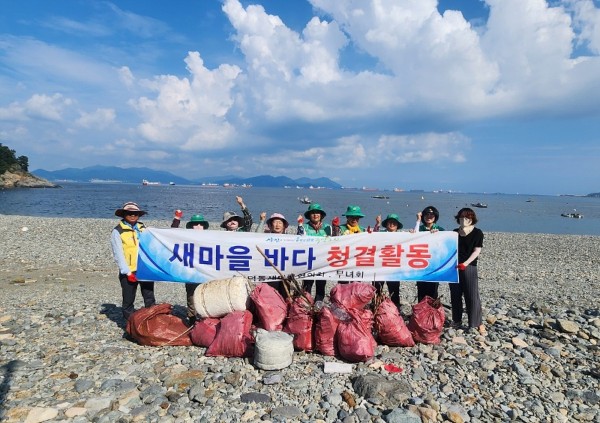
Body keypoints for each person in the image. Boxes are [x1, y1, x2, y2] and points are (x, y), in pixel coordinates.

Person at [110, 201, 156, 321]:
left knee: (149, 297)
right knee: (128, 300)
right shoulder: (117, 231)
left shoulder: (143, 228)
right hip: (129, 271)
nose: (132, 215)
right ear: (124, 214)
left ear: (139, 215)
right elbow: (118, 254)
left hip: (144, 269)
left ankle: (151, 324)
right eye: (129, 213)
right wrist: (127, 272)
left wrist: (176, 220)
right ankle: (130, 327)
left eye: (135, 213)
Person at [171, 210, 209, 325]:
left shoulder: (211, 237)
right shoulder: (186, 236)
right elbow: (172, 233)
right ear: (191, 226)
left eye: (200, 224)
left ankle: (205, 319)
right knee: (191, 296)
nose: (198, 226)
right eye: (195, 224)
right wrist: (177, 219)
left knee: (206, 295)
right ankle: (192, 320)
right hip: (191, 272)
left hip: (206, 272)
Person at [451, 207, 485, 335]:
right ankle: (456, 320)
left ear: (472, 219)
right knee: (455, 294)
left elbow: (477, 251)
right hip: (454, 267)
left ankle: (476, 323)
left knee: (472, 295)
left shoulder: (477, 233)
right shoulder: (454, 232)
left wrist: (465, 263)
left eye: (467, 218)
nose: (463, 220)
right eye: (461, 218)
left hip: (469, 266)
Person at [297, 203, 332, 302]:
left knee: (321, 285)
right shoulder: (304, 227)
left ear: (321, 215)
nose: (315, 215)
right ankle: (305, 303)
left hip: (323, 260)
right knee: (307, 284)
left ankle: (318, 305)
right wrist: (299, 225)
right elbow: (299, 240)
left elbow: (335, 240)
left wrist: (336, 227)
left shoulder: (328, 227)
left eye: (317, 213)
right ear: (309, 215)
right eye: (312, 213)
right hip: (308, 260)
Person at [414, 206, 444, 302]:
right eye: (427, 214)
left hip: (434, 265)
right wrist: (418, 221)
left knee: (433, 291)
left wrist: (438, 234)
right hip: (421, 265)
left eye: (432, 214)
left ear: (435, 216)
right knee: (421, 290)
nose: (429, 216)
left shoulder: (440, 229)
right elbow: (414, 237)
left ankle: (432, 314)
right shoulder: (420, 228)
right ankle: (421, 314)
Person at [373, 213, 403, 306]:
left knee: (394, 292)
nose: (392, 224)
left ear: (397, 225)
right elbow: (372, 237)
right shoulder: (380, 234)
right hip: (379, 268)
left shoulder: (403, 236)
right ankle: (376, 311)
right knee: (377, 290)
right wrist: (377, 224)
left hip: (393, 269)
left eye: (394, 222)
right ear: (386, 224)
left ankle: (395, 313)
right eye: (390, 222)